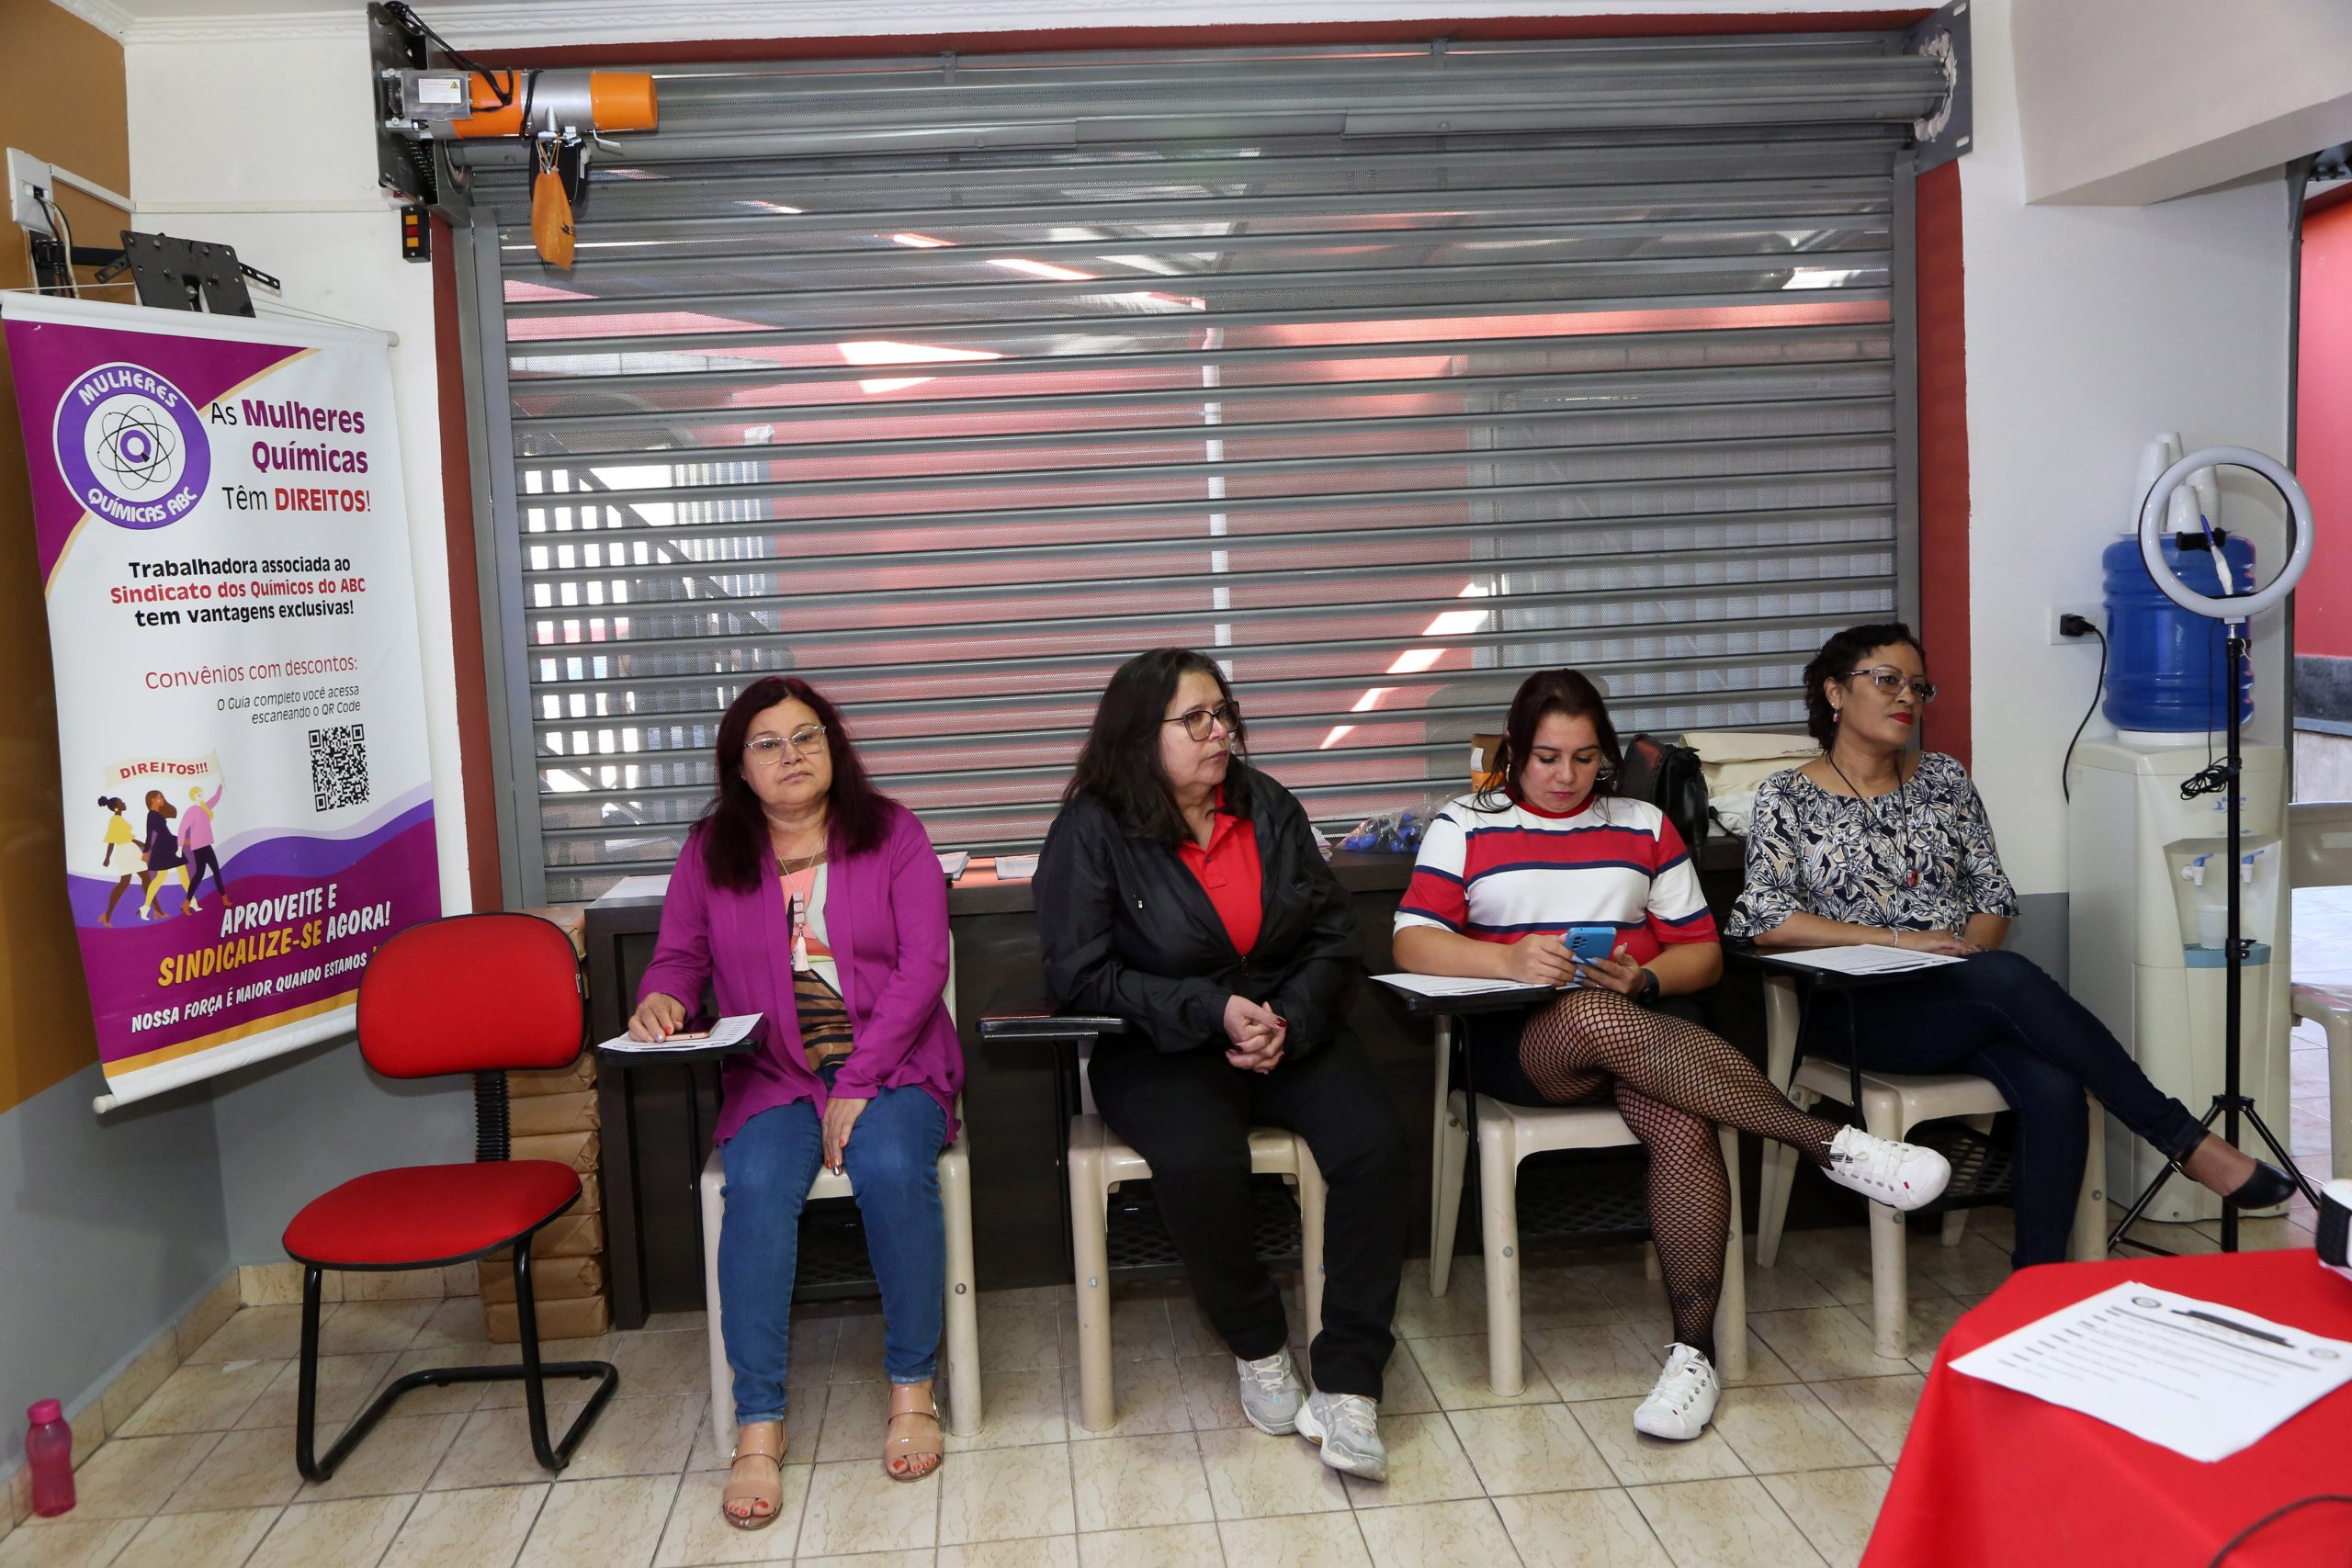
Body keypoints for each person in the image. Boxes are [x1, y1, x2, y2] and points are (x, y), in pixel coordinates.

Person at [1394, 668, 1953, 1442]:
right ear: (1516, 753)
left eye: (1586, 758)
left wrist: (1647, 975)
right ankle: (1827, 1141)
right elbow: (1412, 937)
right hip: (1522, 1045)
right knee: (1589, 1011)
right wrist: (1509, 960)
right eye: (1548, 758)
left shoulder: (1643, 825)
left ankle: (1692, 1356)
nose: (1567, 777)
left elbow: (1703, 954)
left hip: (1643, 1035)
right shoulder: (1465, 823)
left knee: (1680, 1117)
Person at [1729, 621, 2294, 1269]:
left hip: (1966, 998)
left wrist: (1964, 960)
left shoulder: (1943, 777)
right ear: (1834, 692)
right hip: (1861, 1012)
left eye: (1918, 685)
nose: (1905, 697)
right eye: (1886, 680)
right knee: (2005, 979)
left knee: (2052, 1082)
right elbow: (1767, 919)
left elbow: (1992, 897)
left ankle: (2039, 1286)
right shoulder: (1788, 795)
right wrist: (1902, 941)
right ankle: (2183, 1138)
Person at [1037, 648, 1409, 1483]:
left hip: (1285, 1029)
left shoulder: (1267, 804)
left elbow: (1332, 938)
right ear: (1141, 736)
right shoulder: (1092, 827)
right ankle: (1259, 1342)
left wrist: (1288, 1018)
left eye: (1223, 713)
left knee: (1373, 1145)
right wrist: (1208, 1009)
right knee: (1203, 1157)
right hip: (1160, 1045)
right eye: (1194, 719)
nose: (1219, 732)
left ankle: (1349, 1379)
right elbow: (1078, 974)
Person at [629, 675, 963, 1528]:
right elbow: (677, 958)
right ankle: (759, 1421)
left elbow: (925, 967)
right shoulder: (712, 851)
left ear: (833, 745)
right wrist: (663, 998)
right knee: (757, 1188)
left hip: (892, 1065)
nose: (791, 755)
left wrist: (858, 1081)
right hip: (774, 1073)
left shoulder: (891, 833)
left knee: (891, 1164)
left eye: (806, 736)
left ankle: (912, 1384)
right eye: (768, 743)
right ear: (739, 767)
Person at [139, 790, 196, 919]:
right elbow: (151, 835)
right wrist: (146, 852)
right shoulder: (152, 815)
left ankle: (192, 901)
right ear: (152, 800)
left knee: (182, 874)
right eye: (160, 797)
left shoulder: (156, 814)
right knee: (160, 878)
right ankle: (146, 907)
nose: (163, 799)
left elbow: (158, 835)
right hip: (165, 846)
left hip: (168, 844)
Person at [96, 796, 151, 926]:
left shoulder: (119, 819)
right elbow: (111, 840)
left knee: (143, 879)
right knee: (126, 883)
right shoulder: (115, 820)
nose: (124, 803)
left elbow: (130, 839)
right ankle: (107, 915)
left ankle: (147, 908)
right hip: (125, 852)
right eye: (121, 802)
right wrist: (107, 857)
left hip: (130, 850)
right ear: (116, 807)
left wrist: (145, 845)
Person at [183, 784, 228, 907]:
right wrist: (180, 844)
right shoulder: (192, 811)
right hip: (200, 848)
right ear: (193, 796)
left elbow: (216, 798)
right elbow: (182, 827)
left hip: (205, 845)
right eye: (199, 794)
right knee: (204, 874)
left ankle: (186, 903)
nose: (201, 796)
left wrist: (220, 785)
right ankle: (187, 903)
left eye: (201, 793)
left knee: (204, 874)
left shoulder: (204, 807)